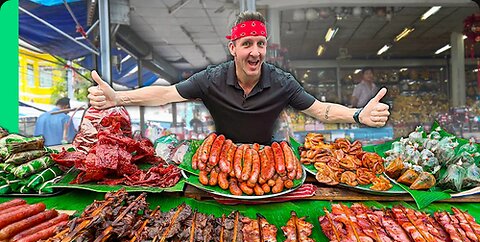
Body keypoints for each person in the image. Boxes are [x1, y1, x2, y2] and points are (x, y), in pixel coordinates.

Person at [88, 11, 390, 145]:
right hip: (221, 159)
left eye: (260, 44)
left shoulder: (281, 81)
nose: (255, 51)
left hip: (269, 158)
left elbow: (320, 110)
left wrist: (357, 114)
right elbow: (166, 94)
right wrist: (118, 97)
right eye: (247, 44)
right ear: (233, 48)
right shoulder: (211, 79)